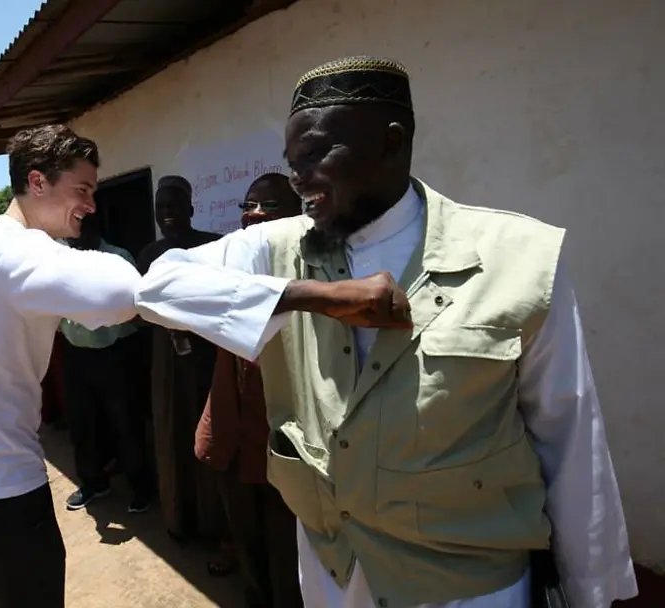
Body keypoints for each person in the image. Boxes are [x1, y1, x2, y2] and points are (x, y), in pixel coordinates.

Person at [134, 56, 637, 608]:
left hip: (466, 588)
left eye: (317, 153)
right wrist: (311, 296)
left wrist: (594, 589)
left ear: (392, 143)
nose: (298, 175)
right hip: (333, 577)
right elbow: (157, 289)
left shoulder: (520, 259)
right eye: (291, 160)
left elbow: (569, 437)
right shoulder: (280, 248)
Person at [0, 124, 141, 608]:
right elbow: (120, 294)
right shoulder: (19, 248)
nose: (90, 205)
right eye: (81, 190)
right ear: (38, 182)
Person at [194, 173, 303, 608]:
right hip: (230, 428)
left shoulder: (313, 277)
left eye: (270, 206)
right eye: (249, 204)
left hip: (283, 440)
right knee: (245, 533)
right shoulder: (228, 272)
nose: (255, 213)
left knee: (287, 542)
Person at [136, 176, 227, 550]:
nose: (168, 214)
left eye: (175, 206)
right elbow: (140, 308)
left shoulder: (211, 247)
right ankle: (178, 519)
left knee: (208, 436)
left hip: (207, 354)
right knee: (171, 435)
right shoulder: (148, 254)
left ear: (191, 209)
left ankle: (215, 524)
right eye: (161, 209)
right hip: (166, 359)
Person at [60, 213, 154, 514]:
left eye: (77, 231)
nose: (72, 238)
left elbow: (136, 307)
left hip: (115, 353)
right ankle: (93, 483)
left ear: (91, 228)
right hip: (75, 353)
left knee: (125, 423)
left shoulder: (117, 259)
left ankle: (142, 488)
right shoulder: (61, 260)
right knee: (82, 423)